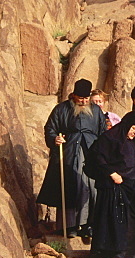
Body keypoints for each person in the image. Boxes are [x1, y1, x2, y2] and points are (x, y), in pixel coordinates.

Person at [37, 78, 106, 240]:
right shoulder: (61, 109)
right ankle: (69, 226)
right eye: (80, 98)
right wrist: (55, 139)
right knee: (70, 187)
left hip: (91, 154)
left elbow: (103, 133)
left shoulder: (96, 111)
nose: (83, 101)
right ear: (74, 96)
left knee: (91, 187)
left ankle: (89, 224)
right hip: (68, 155)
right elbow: (50, 128)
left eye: (86, 98)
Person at [89, 110, 135, 258]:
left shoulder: (132, 142)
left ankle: (130, 255)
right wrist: (112, 173)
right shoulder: (110, 138)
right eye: (133, 128)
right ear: (126, 125)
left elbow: (128, 161)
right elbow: (97, 156)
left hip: (131, 188)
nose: (134, 132)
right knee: (115, 223)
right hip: (112, 188)